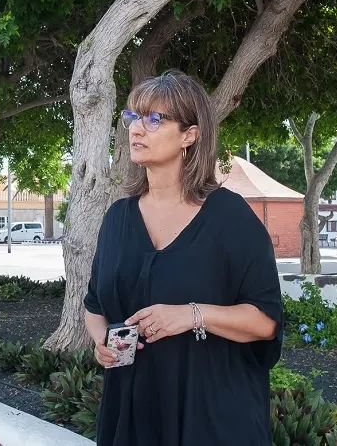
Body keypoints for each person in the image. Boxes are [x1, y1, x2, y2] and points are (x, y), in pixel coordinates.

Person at [83, 70, 283, 445]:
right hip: (132, 414)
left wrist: (191, 315)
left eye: (154, 120)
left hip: (213, 416)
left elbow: (266, 322)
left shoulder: (231, 217)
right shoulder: (117, 219)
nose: (137, 130)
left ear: (189, 135)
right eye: (132, 118)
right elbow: (95, 306)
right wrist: (101, 343)